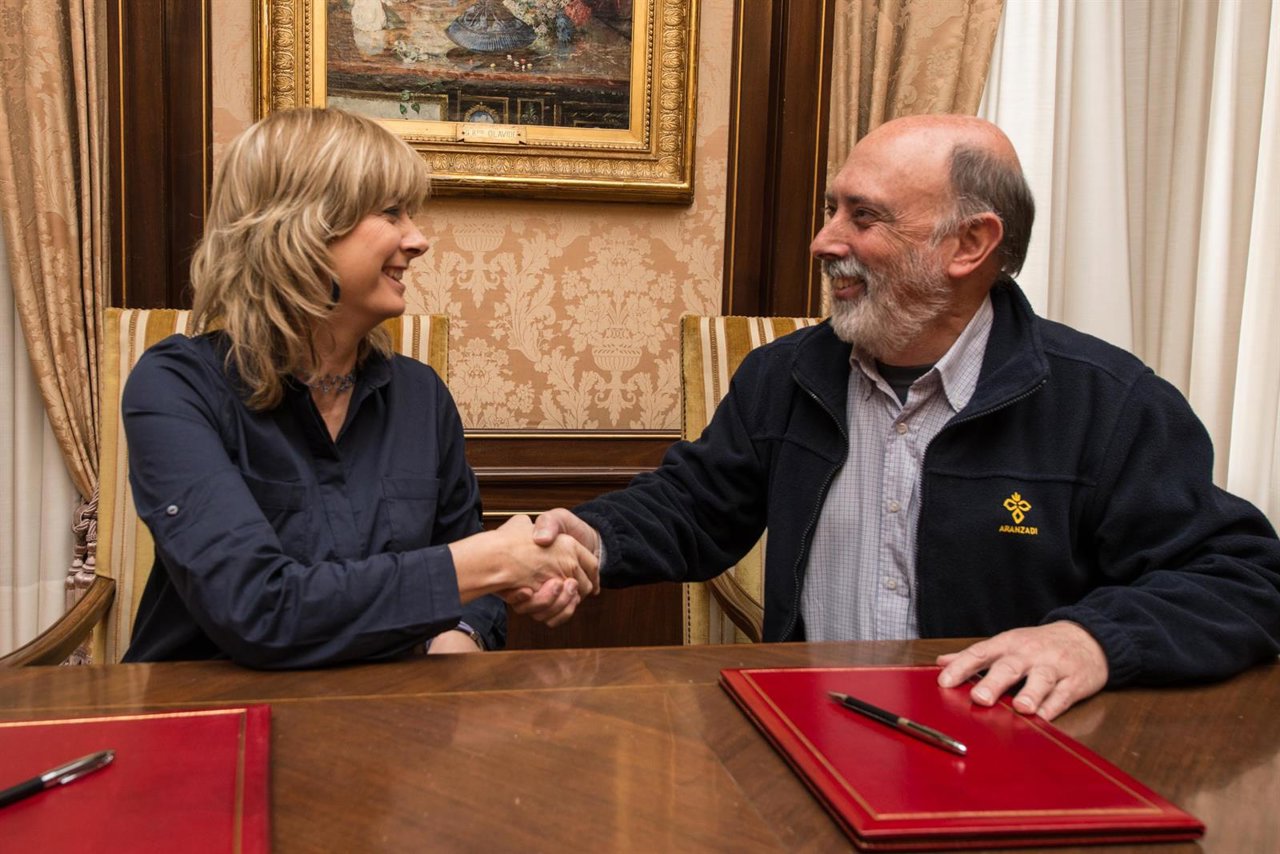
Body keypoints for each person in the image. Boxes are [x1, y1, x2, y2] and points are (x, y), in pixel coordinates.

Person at [530, 114, 1280, 720]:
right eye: (832, 210)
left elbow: (1245, 579)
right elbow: (694, 506)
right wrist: (591, 539)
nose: (825, 242)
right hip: (810, 741)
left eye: (865, 217)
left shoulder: (1108, 404)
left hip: (1008, 764)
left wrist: (1091, 641)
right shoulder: (784, 377)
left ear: (972, 243)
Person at [122, 108, 595, 667]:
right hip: (207, 721)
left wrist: (461, 634)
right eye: (391, 213)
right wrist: (491, 562)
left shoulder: (421, 396)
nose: (418, 241)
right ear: (302, 228)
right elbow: (257, 610)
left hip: (388, 720)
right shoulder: (175, 387)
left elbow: (472, 583)